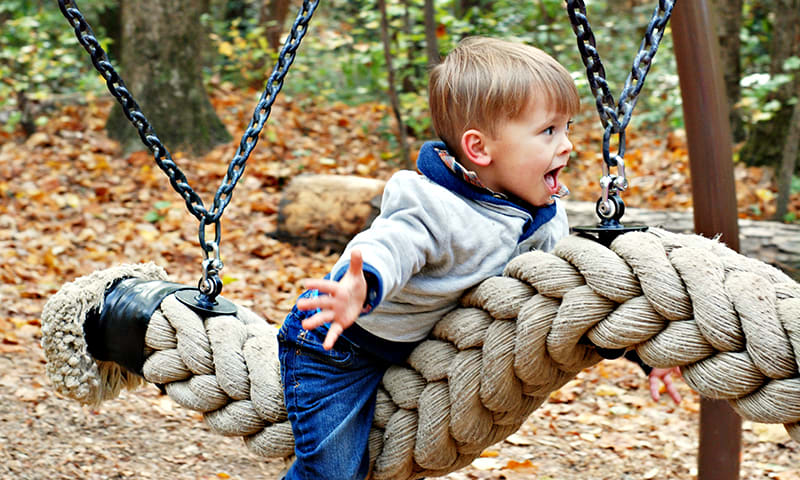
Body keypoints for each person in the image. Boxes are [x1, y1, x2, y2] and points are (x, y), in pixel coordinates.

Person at [277, 36, 677, 480]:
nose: (566, 145)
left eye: (567, 129)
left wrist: (645, 354)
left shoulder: (544, 218)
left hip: (415, 353)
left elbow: (573, 295)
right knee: (333, 471)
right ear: (480, 149)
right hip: (337, 345)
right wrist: (362, 285)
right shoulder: (431, 204)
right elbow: (392, 244)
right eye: (548, 131)